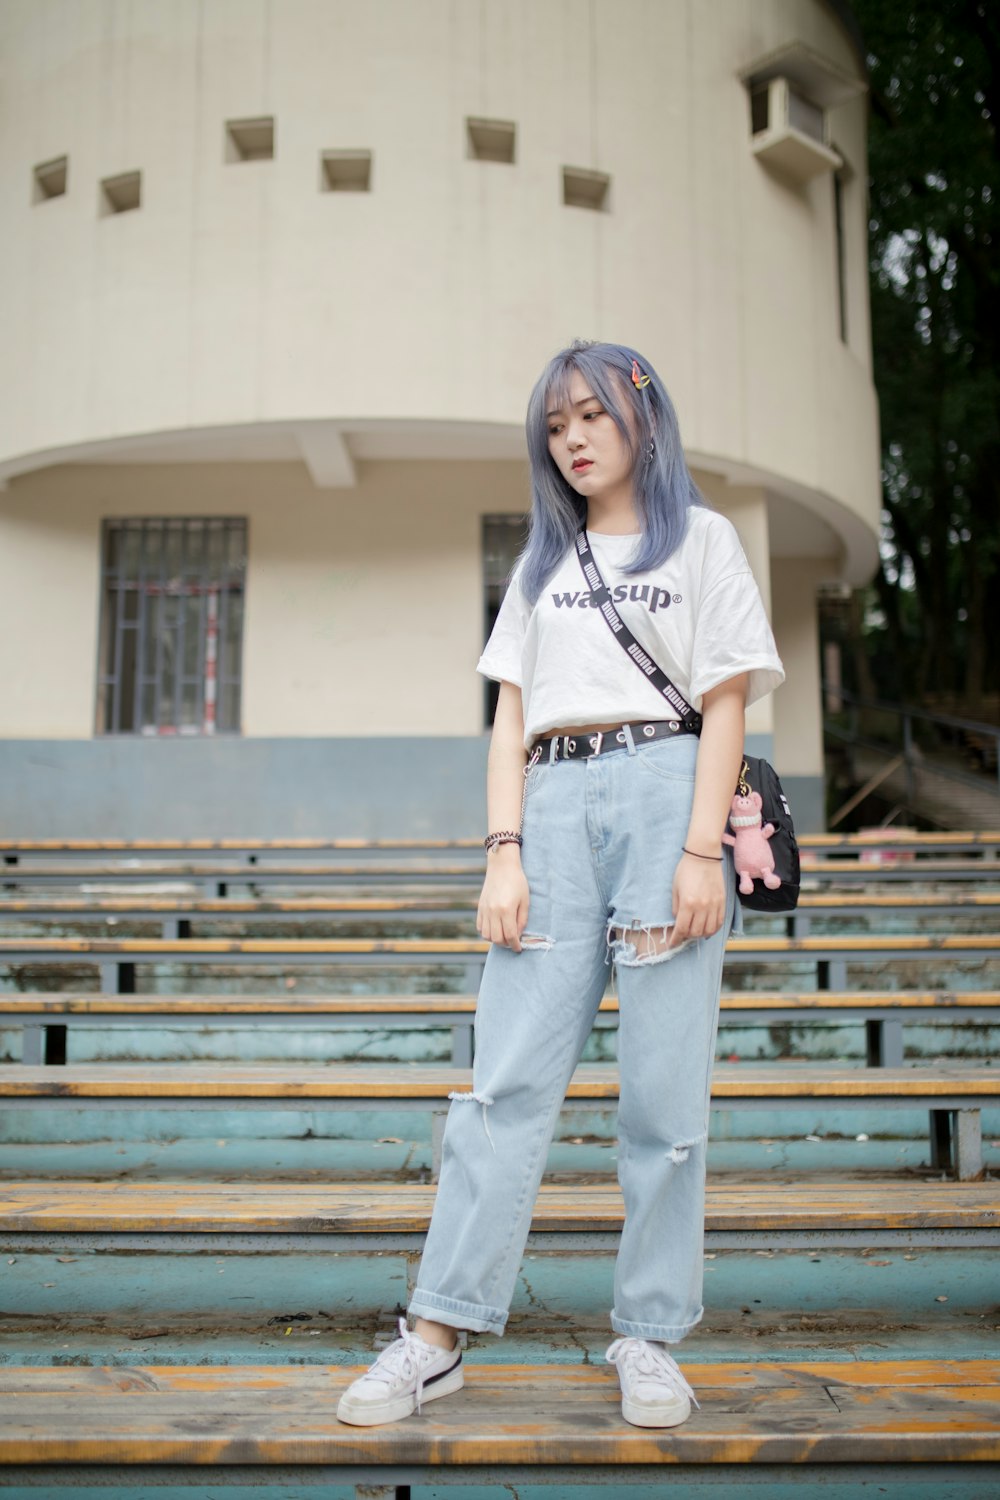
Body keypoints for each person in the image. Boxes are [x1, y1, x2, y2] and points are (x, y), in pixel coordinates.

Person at [336, 338, 785, 1430]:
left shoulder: (706, 541)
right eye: (553, 424)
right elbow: (506, 720)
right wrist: (501, 851)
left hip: (664, 796)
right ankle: (437, 1333)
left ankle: (647, 1333)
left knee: (663, 1098)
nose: (573, 437)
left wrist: (692, 852)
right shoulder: (540, 565)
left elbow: (723, 704)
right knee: (501, 1088)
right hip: (548, 805)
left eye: (590, 414)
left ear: (640, 417)